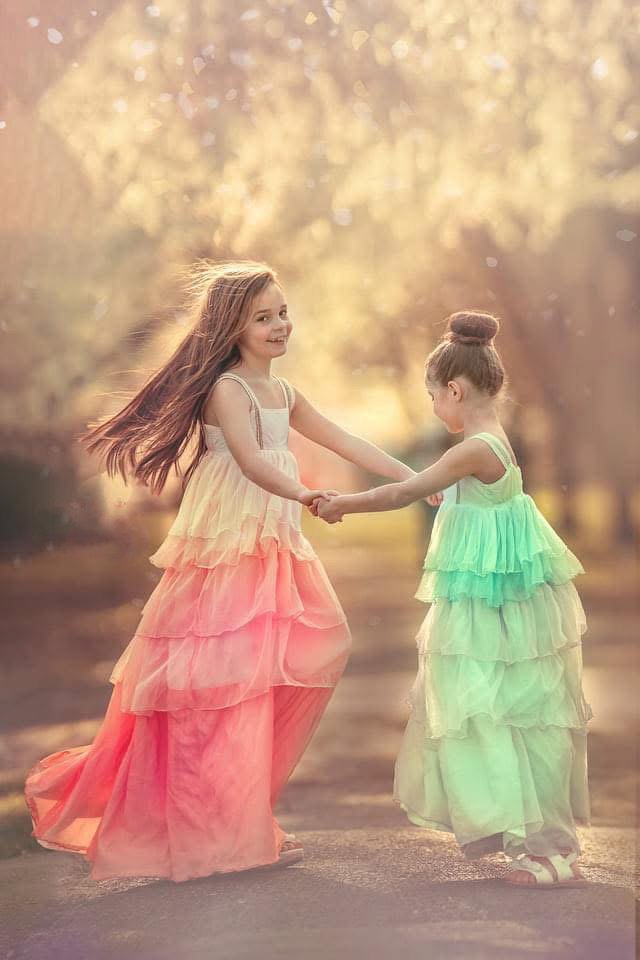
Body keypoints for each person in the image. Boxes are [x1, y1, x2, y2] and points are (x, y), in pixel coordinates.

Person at [24, 260, 420, 883]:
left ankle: (239, 813)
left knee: (320, 643)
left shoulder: (284, 393)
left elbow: (346, 440)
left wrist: (415, 479)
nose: (279, 326)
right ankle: (220, 830)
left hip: (273, 544)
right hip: (226, 549)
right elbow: (252, 461)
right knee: (222, 684)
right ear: (233, 327)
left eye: (282, 313)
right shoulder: (228, 390)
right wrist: (305, 494)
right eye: (263, 318)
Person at [316, 311, 592, 889]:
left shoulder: (474, 449)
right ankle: (540, 847)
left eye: (433, 397)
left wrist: (343, 503)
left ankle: (536, 851)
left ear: (455, 391)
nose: (434, 407)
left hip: (487, 614)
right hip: (501, 607)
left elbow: (402, 492)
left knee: (486, 714)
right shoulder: (494, 443)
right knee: (511, 717)